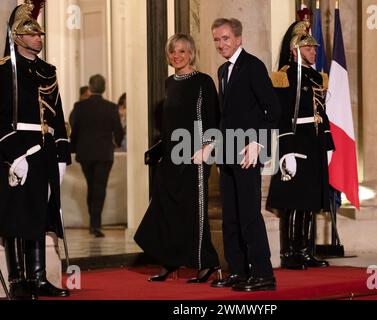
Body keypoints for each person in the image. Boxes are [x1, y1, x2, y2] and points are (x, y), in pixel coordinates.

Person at [134, 34, 221, 284]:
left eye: (182, 51)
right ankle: (170, 262)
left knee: (194, 211)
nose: (177, 56)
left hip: (195, 156)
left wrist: (206, 149)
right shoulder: (169, 82)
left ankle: (206, 263)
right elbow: (170, 125)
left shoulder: (203, 81)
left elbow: (212, 119)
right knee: (166, 209)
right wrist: (159, 150)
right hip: (171, 157)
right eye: (173, 51)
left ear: (191, 54)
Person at [0, 1, 71, 299]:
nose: (38, 38)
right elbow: (1, 116)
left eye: (40, 34)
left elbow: (57, 114)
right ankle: (18, 280)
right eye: (32, 34)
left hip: (45, 152)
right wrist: (14, 154)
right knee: (17, 216)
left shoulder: (47, 71)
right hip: (19, 153)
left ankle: (39, 277)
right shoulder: (5, 72)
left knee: (40, 214)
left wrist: (63, 154)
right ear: (17, 36)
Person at [210, 18, 281, 292]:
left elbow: (273, 110)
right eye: (216, 39)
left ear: (238, 38)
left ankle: (263, 274)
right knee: (230, 215)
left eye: (226, 38)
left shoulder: (253, 66)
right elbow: (225, 116)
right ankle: (238, 271)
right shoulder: (222, 70)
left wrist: (258, 142)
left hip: (248, 153)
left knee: (250, 213)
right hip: (227, 152)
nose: (221, 44)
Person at [267, 19, 335, 270]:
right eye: (308, 48)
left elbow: (322, 112)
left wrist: (328, 143)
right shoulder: (283, 77)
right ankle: (291, 253)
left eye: (314, 48)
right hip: (296, 142)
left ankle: (307, 250)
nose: (313, 52)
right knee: (294, 200)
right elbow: (282, 116)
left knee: (310, 199)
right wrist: (286, 151)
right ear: (295, 49)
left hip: (314, 141)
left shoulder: (317, 76)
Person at [69, 74, 124, 238]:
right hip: (104, 153)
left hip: (85, 153)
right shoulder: (111, 107)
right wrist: (117, 143)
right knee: (99, 187)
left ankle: (93, 223)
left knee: (91, 185)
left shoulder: (79, 106)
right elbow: (119, 131)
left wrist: (73, 147)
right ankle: (95, 224)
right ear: (104, 88)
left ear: (90, 87)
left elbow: (74, 128)